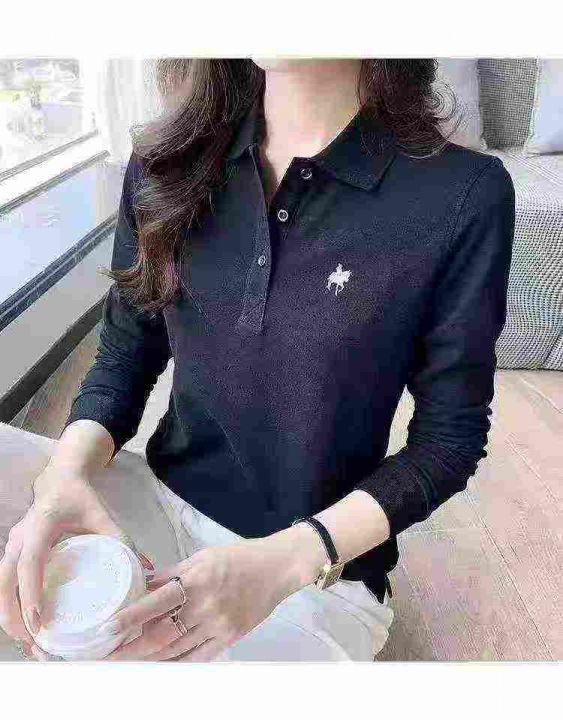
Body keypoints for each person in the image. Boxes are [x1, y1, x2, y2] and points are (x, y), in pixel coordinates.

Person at [0, 59, 515, 662]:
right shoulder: (167, 160)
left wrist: (282, 563)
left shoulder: (462, 195)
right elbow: (126, 350)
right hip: (154, 502)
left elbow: (448, 442)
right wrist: (64, 477)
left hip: (313, 572)